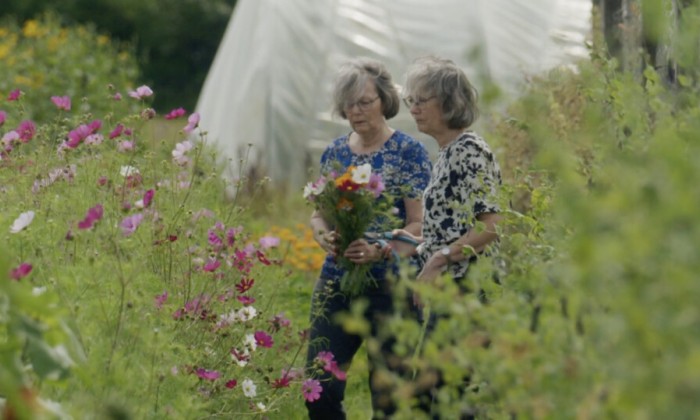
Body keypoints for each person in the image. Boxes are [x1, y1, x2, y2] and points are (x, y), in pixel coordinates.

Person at [305, 57, 432, 420]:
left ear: (385, 102)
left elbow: (420, 224)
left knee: (389, 399)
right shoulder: (336, 152)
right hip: (337, 283)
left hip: (390, 288)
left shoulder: (409, 152)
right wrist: (323, 237)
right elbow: (319, 214)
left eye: (365, 102)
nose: (356, 111)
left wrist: (380, 249)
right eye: (349, 103)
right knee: (320, 389)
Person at [393, 55, 503, 417]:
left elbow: (489, 224)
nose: (414, 109)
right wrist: (412, 243)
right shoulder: (446, 154)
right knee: (442, 394)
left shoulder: (469, 151)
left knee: (443, 394)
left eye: (422, 100)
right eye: (412, 101)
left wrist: (439, 260)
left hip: (468, 291)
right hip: (452, 290)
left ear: (449, 102)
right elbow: (452, 226)